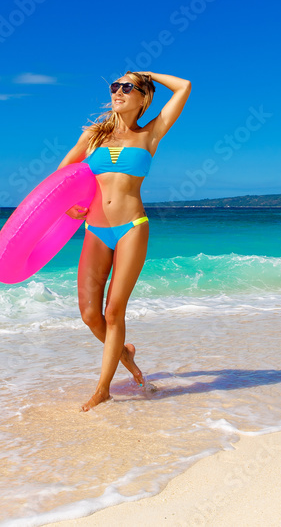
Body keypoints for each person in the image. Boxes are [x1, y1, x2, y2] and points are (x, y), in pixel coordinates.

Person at [58, 70, 191, 411]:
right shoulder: (94, 135)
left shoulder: (150, 133)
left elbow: (184, 87)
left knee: (114, 312)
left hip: (132, 226)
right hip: (95, 228)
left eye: (126, 87)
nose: (117, 91)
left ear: (143, 97)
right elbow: (63, 172)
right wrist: (66, 203)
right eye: (114, 86)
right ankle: (127, 357)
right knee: (90, 315)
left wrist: (147, 74)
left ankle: (103, 389)